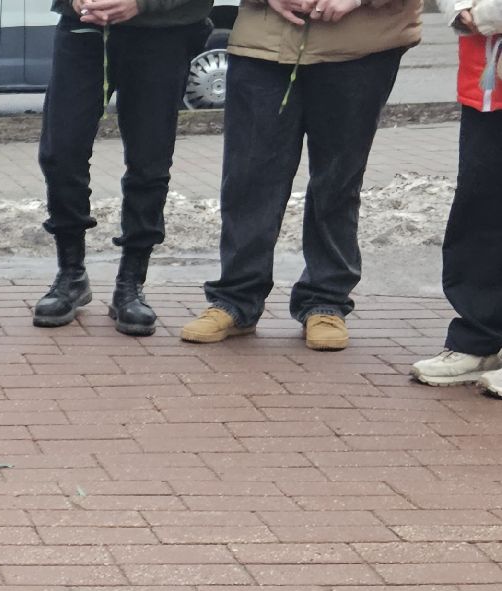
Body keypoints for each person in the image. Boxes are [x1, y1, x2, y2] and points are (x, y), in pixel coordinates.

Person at [181, 0, 423, 351]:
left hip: (361, 45)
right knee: (248, 178)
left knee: (337, 181)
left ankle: (325, 300)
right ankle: (235, 299)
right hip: (262, 43)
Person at [31, 0, 212, 336]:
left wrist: (140, 4)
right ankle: (70, 273)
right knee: (61, 152)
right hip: (84, 26)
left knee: (149, 160)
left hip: (164, 31)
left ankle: (131, 281)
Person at [410, 0, 502, 395]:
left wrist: (485, 15)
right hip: (485, 83)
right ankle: (478, 339)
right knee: (478, 213)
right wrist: (459, 7)